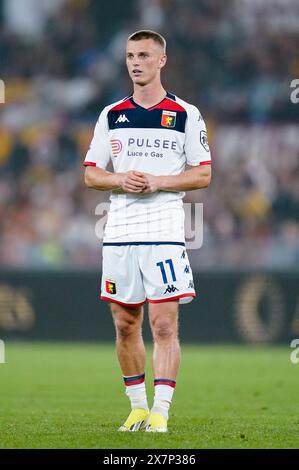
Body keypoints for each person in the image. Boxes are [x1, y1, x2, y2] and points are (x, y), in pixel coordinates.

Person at [84, 30, 211, 433]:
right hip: (119, 232)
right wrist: (121, 179)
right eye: (129, 56)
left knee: (165, 325)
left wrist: (158, 182)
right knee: (125, 324)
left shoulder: (185, 114)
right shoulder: (111, 115)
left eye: (143, 55)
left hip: (164, 232)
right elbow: (91, 176)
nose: (134, 62)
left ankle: (162, 411)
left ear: (161, 61)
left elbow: (203, 173)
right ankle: (137, 407)